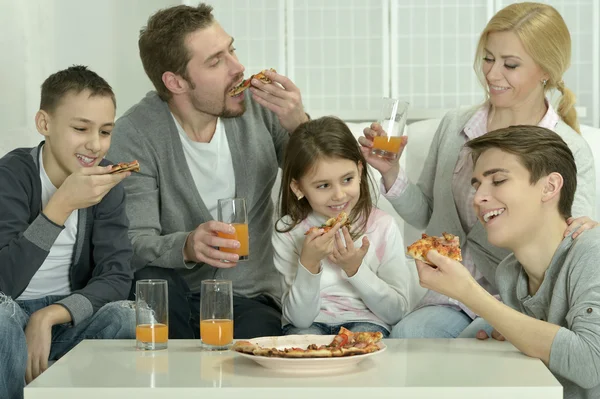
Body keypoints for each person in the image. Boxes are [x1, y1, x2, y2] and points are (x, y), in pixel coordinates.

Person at [359, 1, 596, 339]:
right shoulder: (457, 125)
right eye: (488, 58)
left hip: (515, 302)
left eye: (510, 64)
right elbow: (427, 213)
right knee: (407, 339)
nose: (491, 74)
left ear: (546, 70)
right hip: (447, 294)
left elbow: (569, 250)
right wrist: (391, 171)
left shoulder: (568, 149)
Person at [107, 3, 310, 339]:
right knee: (151, 286)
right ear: (175, 82)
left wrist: (298, 124)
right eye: (216, 61)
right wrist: (187, 246)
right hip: (175, 296)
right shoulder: (134, 135)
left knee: (251, 358)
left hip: (250, 296)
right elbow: (134, 242)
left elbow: (320, 183)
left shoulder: (261, 110)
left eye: (231, 50)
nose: (238, 67)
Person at [417, 125, 600, 399]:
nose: (478, 198)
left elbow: (589, 363)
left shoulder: (591, 251)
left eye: (499, 180)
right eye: (477, 185)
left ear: (549, 187)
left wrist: (468, 292)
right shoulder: (510, 272)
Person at [0, 66, 136, 399]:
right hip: (10, 313)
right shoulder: (12, 176)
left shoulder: (108, 184)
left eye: (105, 132)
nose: (95, 145)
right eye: (80, 128)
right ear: (44, 124)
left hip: (65, 317)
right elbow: (4, 282)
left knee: (130, 315)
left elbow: (117, 276)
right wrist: (60, 206)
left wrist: (48, 317)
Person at [273, 117, 417, 336]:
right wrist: (309, 263)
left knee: (363, 349)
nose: (339, 195)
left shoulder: (381, 226)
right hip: (309, 324)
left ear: (360, 171)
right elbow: (300, 320)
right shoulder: (289, 231)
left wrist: (355, 269)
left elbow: (396, 312)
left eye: (347, 179)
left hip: (367, 321)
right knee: (302, 344)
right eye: (323, 185)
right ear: (298, 187)